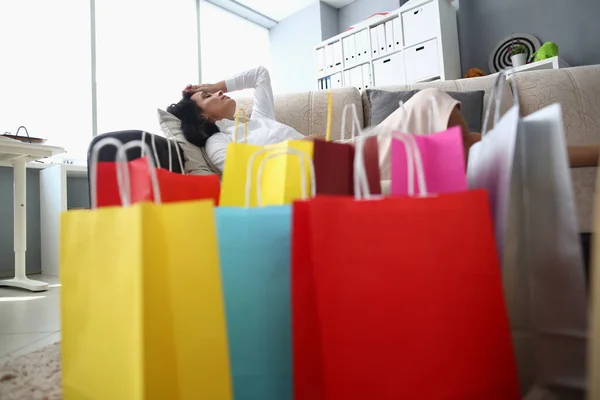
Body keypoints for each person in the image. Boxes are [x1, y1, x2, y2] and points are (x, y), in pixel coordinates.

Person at [168, 66, 599, 177]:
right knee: (466, 137)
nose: (221, 94)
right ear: (202, 115)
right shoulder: (217, 146)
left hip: (352, 150)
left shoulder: (256, 115)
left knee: (478, 147)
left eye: (216, 89)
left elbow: (260, 74)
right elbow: (244, 173)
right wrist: (299, 147)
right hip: (335, 168)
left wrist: (209, 82)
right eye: (210, 97)